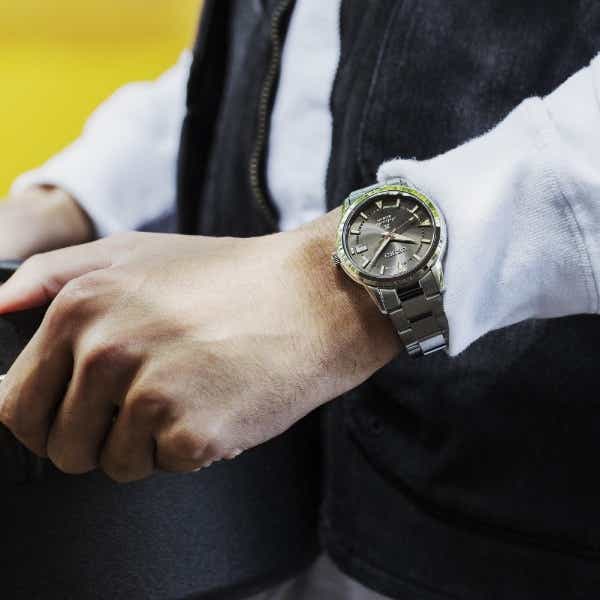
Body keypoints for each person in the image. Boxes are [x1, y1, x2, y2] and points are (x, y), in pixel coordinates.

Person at [0, 0, 599, 598]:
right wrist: (70, 201)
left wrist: (336, 290)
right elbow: (291, 50)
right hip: (260, 520)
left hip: (518, 535)